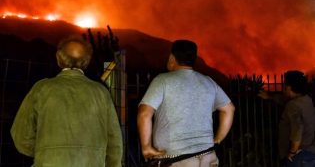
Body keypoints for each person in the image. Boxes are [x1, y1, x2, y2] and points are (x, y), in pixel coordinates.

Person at [11, 36, 123, 167]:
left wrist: (46, 152)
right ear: (87, 61)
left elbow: (20, 136)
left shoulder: (42, 89)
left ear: (59, 57)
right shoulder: (101, 93)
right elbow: (115, 143)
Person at [137, 39, 235, 167]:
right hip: (208, 157)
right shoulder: (208, 82)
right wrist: (217, 140)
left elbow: (144, 114)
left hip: (176, 160)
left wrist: (146, 147)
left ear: (172, 58)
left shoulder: (162, 81)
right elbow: (229, 109)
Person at [259, 70, 315, 167]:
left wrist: (292, 152)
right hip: (309, 153)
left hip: (298, 157)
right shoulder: (307, 100)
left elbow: (297, 130)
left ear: (289, 87)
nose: (283, 87)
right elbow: (286, 101)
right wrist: (270, 96)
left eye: (285, 84)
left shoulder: (293, 106)